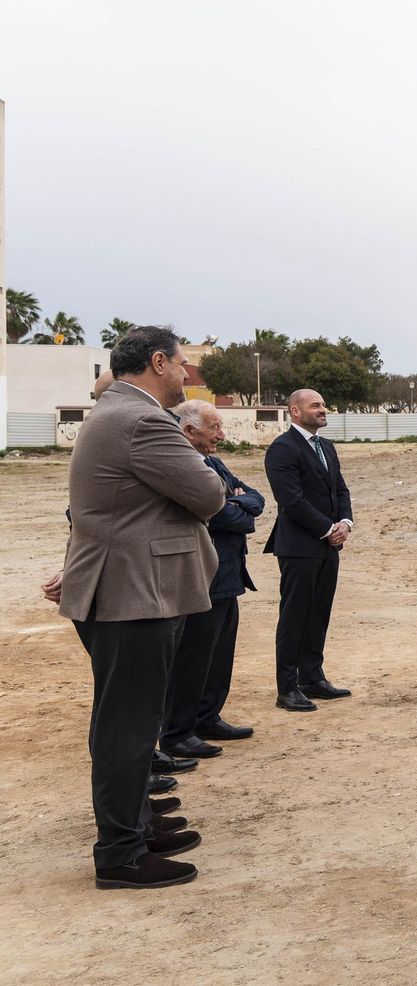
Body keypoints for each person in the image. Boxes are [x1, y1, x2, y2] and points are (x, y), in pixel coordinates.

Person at [57, 325, 223, 889]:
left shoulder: (114, 413)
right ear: (158, 362)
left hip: (127, 589)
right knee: (127, 728)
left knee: (129, 719)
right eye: (182, 366)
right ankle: (121, 854)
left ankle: (138, 825)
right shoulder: (144, 419)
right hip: (133, 593)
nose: (185, 376)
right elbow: (208, 494)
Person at [160, 401, 263, 757]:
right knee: (193, 658)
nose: (221, 434)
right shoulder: (180, 466)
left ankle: (208, 716)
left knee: (219, 656)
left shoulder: (214, 463)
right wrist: (235, 508)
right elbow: (218, 515)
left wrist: (236, 505)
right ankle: (178, 731)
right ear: (189, 431)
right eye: (214, 427)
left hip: (229, 575)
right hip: (202, 578)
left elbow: (257, 500)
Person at [264, 389, 354, 712]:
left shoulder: (326, 447)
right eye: (316, 405)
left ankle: (312, 678)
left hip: (329, 547)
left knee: (318, 613)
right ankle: (287, 688)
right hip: (299, 548)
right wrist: (327, 528)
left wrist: (345, 522)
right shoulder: (282, 449)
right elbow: (291, 500)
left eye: (323, 404)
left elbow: (340, 489)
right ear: (295, 411)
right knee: (295, 617)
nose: (323, 409)